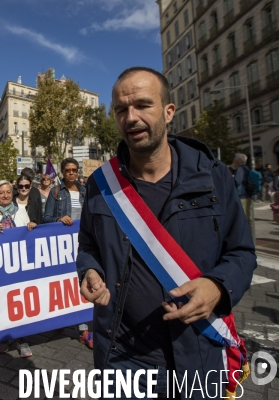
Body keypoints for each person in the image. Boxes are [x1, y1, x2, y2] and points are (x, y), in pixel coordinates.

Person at [77, 67, 256, 397]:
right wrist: (90, 269)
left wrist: (218, 286)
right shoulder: (100, 186)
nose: (131, 117)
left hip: (198, 354)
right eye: (121, 109)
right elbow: (88, 243)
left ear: (169, 111)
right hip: (122, 358)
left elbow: (242, 253)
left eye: (143, 105)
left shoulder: (214, 178)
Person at [0, 180, 35, 358]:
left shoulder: (21, 210)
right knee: (3, 302)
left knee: (20, 301)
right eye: (1, 192)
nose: (5, 195)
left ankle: (22, 339)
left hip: (19, 266)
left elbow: (28, 231)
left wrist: (31, 227)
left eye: (8, 192)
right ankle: (4, 337)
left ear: (13, 193)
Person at [43, 158, 85, 225]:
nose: (71, 173)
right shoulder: (55, 191)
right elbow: (46, 218)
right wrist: (59, 220)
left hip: (82, 233)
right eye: (68, 170)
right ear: (63, 172)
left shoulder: (84, 191)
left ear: (77, 172)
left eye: (74, 170)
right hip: (64, 233)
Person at [233, 153, 255, 240]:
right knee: (249, 218)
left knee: (242, 218)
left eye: (234, 159)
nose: (234, 161)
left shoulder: (240, 169)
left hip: (242, 195)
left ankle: (245, 239)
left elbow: (237, 181)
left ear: (238, 161)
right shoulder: (247, 168)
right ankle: (250, 238)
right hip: (249, 195)